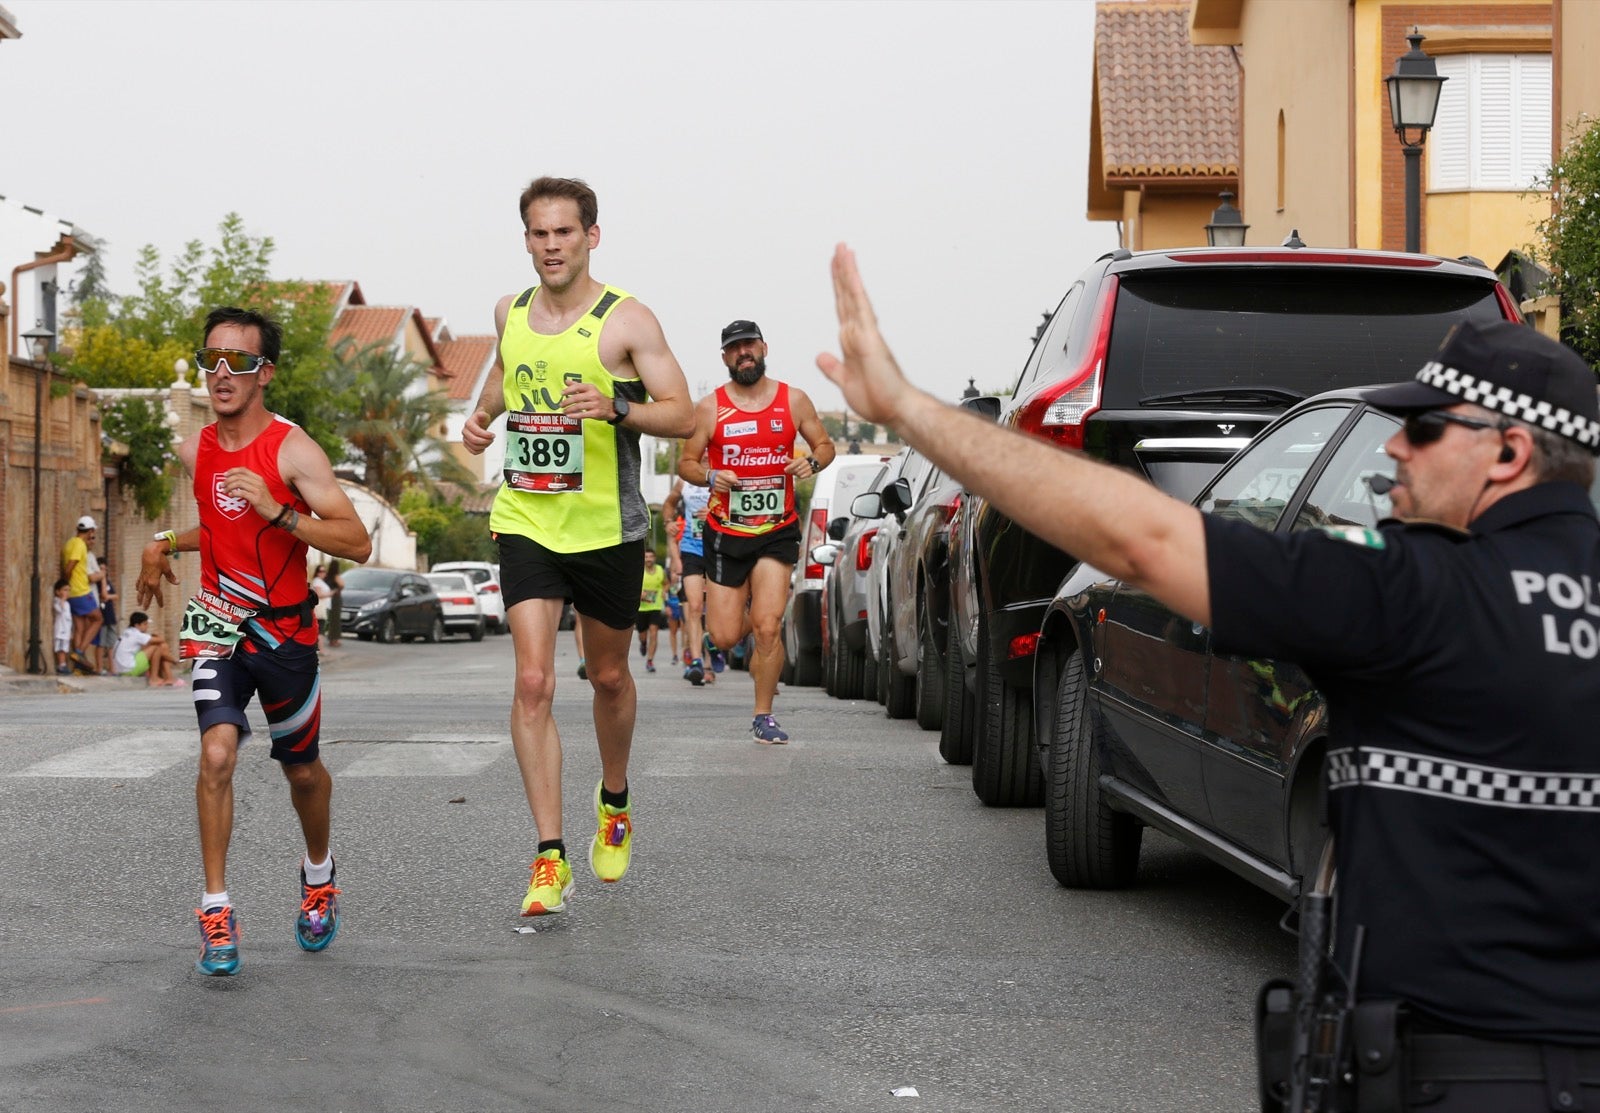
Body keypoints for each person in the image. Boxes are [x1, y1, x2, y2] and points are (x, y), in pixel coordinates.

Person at [818, 243, 1600, 1110]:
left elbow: (1141, 540)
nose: (1396, 454)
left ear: (1509, 452)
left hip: (1450, 1077)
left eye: (1422, 429)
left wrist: (907, 409)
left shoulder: (1409, 591)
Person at [460, 176, 694, 917]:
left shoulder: (626, 321)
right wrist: (479, 417)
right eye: (538, 233)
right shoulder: (510, 310)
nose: (551, 245)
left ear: (592, 236)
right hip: (528, 516)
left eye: (564, 232)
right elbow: (503, 372)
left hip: (606, 529)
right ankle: (549, 856)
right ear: (525, 238)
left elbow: (684, 413)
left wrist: (617, 406)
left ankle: (614, 795)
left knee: (609, 677)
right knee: (533, 682)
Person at [137, 306, 372, 977]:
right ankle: (216, 907)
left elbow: (354, 540)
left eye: (237, 361)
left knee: (302, 771)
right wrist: (160, 544)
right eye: (211, 358)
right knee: (216, 753)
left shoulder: (294, 450)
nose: (220, 372)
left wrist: (280, 510)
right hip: (215, 619)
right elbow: (218, 528)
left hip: (286, 629)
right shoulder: (196, 449)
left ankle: (319, 874)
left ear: (264, 372)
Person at [677, 320, 836, 743]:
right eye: (735, 348)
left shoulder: (793, 400)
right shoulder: (710, 408)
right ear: (725, 357)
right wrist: (711, 476)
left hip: (776, 529)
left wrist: (812, 464)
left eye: (750, 345)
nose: (743, 353)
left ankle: (763, 715)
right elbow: (686, 463)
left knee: (768, 626)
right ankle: (740, 638)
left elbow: (825, 446)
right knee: (725, 635)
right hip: (726, 533)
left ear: (764, 348)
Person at [662, 475, 715, 686]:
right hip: (691, 549)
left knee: (714, 612)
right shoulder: (684, 481)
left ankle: (712, 650)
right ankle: (697, 662)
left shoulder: (726, 471)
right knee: (694, 607)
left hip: (720, 548)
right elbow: (669, 503)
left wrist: (716, 514)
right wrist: (668, 522)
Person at [59, 515, 103, 671]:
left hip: (73, 592)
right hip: (80, 590)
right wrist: (68, 582)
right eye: (93, 532)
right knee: (98, 619)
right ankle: (79, 651)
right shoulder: (79, 545)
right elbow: (70, 566)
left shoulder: (70, 543)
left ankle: (78, 667)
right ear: (90, 531)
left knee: (80, 626)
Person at [112, 610, 182, 687]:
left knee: (154, 647)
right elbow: (161, 640)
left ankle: (169, 674)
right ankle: (155, 678)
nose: (147, 626)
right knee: (158, 647)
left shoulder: (127, 632)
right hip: (129, 669)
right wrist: (156, 635)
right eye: (145, 624)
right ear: (137, 625)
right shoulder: (137, 635)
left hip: (120, 669)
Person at [635, 548, 667, 672]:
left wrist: (664, 591)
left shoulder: (660, 570)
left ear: (654, 558)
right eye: (646, 557)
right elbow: (630, 584)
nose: (648, 559)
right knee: (642, 635)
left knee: (654, 632)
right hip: (641, 608)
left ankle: (650, 660)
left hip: (655, 606)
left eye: (650, 557)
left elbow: (666, 583)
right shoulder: (638, 570)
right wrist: (639, 592)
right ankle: (643, 644)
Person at [95, 559, 120, 675]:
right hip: (102, 616)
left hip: (110, 615)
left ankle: (112, 668)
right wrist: (102, 578)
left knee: (111, 644)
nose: (103, 571)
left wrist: (108, 597)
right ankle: (99, 667)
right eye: (101, 569)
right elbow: (104, 594)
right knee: (101, 643)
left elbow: (115, 596)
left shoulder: (108, 582)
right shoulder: (97, 584)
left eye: (105, 569)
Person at [52, 579, 72, 676]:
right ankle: (61, 665)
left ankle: (63, 664)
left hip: (66, 631)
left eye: (68, 590)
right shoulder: (57, 601)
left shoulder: (68, 604)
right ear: (57, 591)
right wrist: (62, 599)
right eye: (64, 590)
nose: (67, 592)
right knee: (60, 649)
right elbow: (59, 610)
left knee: (64, 648)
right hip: (60, 631)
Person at [309, 563, 332, 646]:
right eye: (321, 571)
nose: (323, 573)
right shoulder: (317, 581)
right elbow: (319, 595)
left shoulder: (321, 581)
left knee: (321, 628)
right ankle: (320, 648)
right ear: (317, 572)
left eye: (324, 571)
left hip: (324, 608)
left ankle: (318, 648)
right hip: (320, 609)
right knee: (320, 629)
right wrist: (331, 593)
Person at [325, 559, 344, 648]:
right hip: (335, 599)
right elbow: (342, 585)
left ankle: (331, 638)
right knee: (336, 620)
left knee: (331, 619)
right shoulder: (336, 576)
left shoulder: (327, 577)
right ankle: (334, 640)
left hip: (328, 598)